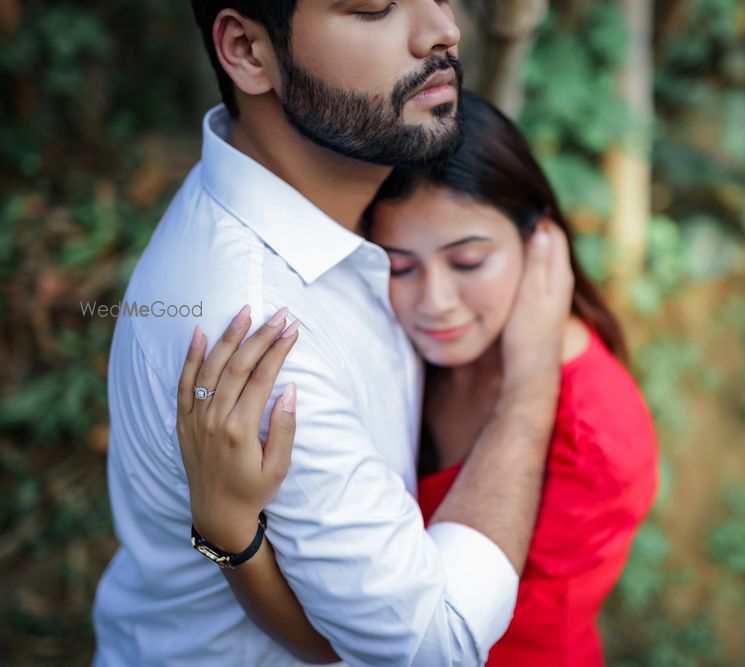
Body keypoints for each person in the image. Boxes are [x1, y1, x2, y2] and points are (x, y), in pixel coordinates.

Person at [93, 2, 574, 666]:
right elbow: (436, 640)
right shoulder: (260, 336)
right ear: (249, 52)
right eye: (375, 6)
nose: (443, 30)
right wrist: (530, 384)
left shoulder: (338, 196)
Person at [178, 93, 660, 666]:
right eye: (399, 265)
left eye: (468, 262)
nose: (435, 303)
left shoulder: (598, 438)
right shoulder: (403, 341)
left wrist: (228, 535)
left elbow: (440, 645)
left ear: (541, 243)